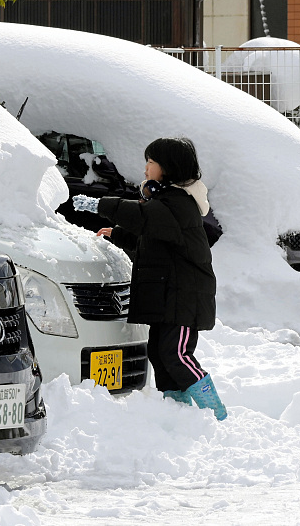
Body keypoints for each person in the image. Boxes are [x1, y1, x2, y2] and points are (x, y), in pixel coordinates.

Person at [71, 137, 226, 420]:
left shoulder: (178, 203)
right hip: (172, 295)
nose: (145, 169)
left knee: (176, 355)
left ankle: (214, 413)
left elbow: (143, 216)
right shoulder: (165, 205)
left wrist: (100, 204)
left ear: (168, 168)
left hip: (185, 297)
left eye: (151, 162)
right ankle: (176, 410)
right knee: (159, 352)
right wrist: (116, 234)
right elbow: (151, 233)